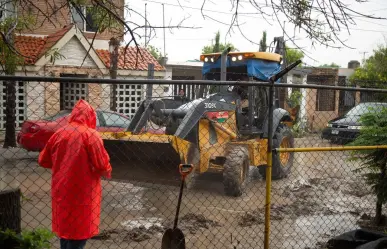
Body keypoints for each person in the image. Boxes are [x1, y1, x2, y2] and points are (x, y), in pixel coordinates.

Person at [38, 99, 112, 249]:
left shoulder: (59, 133)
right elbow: (102, 165)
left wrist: (62, 164)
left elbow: (43, 160)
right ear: (90, 116)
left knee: (65, 231)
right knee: (79, 234)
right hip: (84, 191)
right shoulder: (91, 135)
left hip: (62, 188)